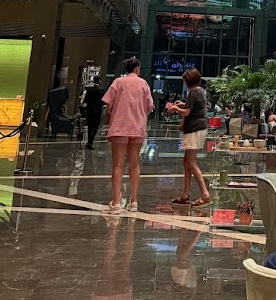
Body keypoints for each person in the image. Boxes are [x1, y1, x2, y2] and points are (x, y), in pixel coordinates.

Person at [103, 57, 154, 213]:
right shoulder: (144, 84)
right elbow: (149, 106)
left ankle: (116, 202)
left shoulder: (118, 82)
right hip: (137, 127)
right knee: (134, 164)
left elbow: (108, 106)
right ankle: (134, 201)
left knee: (118, 165)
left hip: (120, 126)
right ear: (137, 68)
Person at [166, 68, 210, 207]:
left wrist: (176, 109)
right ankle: (185, 193)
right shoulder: (200, 91)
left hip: (194, 129)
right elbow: (192, 107)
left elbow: (186, 112)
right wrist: (182, 105)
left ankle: (204, 193)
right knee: (186, 161)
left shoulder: (193, 92)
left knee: (190, 162)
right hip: (198, 128)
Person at [81, 76, 104, 149]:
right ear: (99, 81)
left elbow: (86, 100)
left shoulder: (89, 90)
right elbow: (103, 101)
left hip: (89, 110)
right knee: (95, 126)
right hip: (97, 111)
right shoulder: (101, 90)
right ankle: (90, 141)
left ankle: (89, 141)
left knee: (90, 126)